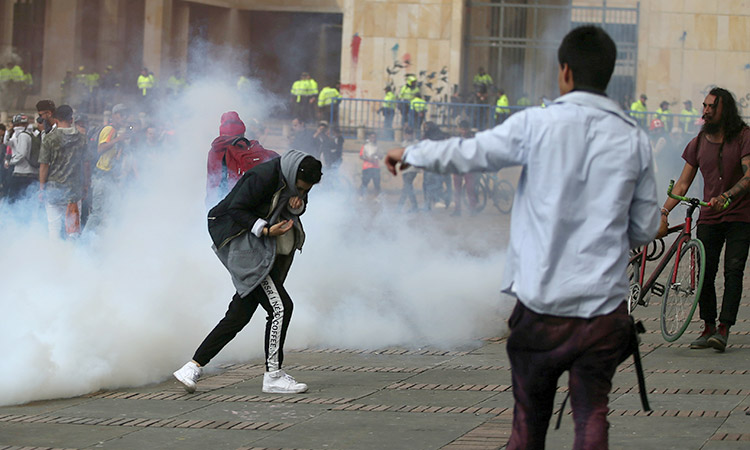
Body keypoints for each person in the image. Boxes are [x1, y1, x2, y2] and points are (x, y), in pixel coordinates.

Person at [385, 26, 658, 449]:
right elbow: (642, 229)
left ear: (565, 71)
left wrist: (411, 153)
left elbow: (470, 154)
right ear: (608, 76)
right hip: (603, 311)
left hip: (542, 309)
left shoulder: (537, 124)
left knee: (528, 423)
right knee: (592, 416)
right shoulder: (635, 140)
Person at [173, 150, 323, 394]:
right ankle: (273, 375)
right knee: (281, 307)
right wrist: (265, 231)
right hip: (242, 243)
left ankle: (192, 367)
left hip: (259, 247)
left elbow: (290, 205)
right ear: (294, 174)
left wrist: (298, 204)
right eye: (300, 188)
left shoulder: (295, 178)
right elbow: (236, 208)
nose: (302, 191)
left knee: (238, 316)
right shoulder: (262, 176)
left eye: (306, 190)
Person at [657, 87, 750, 353]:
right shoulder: (698, 142)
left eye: (712, 107)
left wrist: (728, 196)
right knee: (704, 272)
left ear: (725, 110)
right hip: (709, 215)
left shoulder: (744, 137)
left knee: (733, 270)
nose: (706, 111)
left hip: (739, 216)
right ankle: (708, 326)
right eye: (704, 106)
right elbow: (683, 183)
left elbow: (748, 175)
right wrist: (663, 213)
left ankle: (724, 328)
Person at [38, 105, 87, 239]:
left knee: (53, 229)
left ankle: (55, 257)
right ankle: (72, 258)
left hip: (54, 189)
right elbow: (86, 164)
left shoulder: (49, 138)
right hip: (74, 191)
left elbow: (44, 165)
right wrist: (86, 185)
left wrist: (42, 188)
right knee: (73, 231)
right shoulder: (82, 139)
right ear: (71, 119)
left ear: (55, 119)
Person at [88, 103, 131, 229]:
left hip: (109, 177)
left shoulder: (116, 132)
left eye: (126, 115)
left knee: (112, 210)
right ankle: (84, 244)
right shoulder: (109, 130)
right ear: (114, 115)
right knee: (97, 213)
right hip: (101, 176)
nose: (124, 117)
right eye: (121, 114)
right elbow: (101, 148)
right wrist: (118, 139)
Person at [7, 114, 39, 204]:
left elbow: (22, 153)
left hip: (22, 173)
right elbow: (7, 142)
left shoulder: (23, 135)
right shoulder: (31, 133)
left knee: (15, 201)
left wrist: (11, 162)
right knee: (27, 201)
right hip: (31, 173)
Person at [451, 120, 477, 216]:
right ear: (459, 129)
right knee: (457, 189)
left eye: (465, 129)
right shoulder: (456, 139)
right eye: (462, 129)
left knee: (470, 188)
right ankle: (457, 210)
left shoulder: (473, 138)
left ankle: (472, 209)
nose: (464, 131)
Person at [396, 126, 419, 212]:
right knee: (408, 187)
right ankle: (414, 206)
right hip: (405, 168)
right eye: (407, 133)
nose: (409, 135)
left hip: (413, 168)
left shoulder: (416, 143)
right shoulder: (403, 143)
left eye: (410, 133)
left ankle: (399, 207)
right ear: (405, 135)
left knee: (406, 186)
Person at [359, 131, 381, 197]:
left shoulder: (377, 146)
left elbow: (381, 156)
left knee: (377, 184)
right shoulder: (365, 146)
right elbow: (361, 156)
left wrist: (379, 156)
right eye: (372, 137)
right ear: (369, 137)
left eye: (374, 137)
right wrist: (368, 159)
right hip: (367, 168)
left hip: (376, 167)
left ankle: (377, 198)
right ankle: (361, 197)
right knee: (364, 183)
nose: (373, 139)